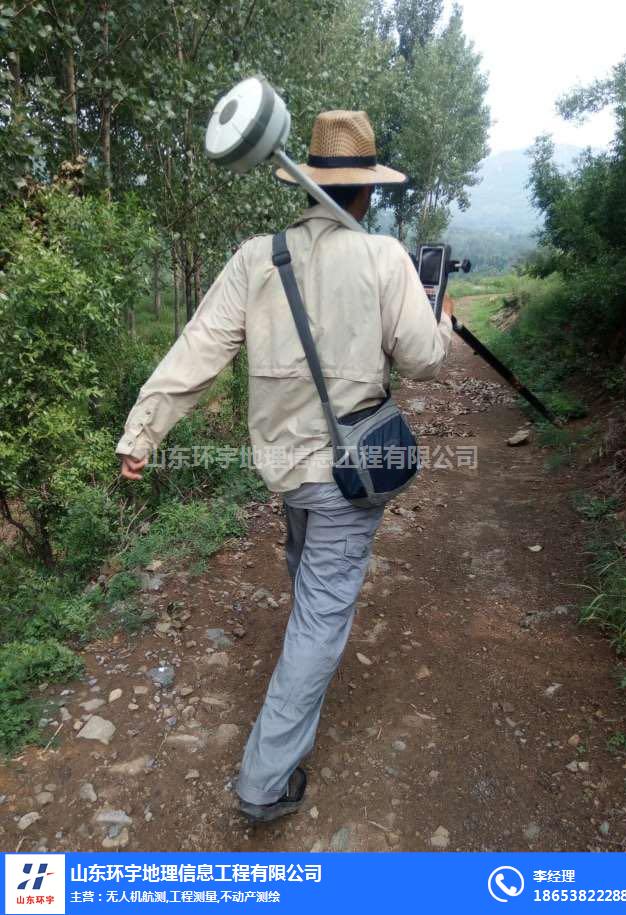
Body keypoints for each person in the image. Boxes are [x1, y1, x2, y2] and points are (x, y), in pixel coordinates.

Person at [117, 108, 454, 823]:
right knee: (322, 615)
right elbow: (423, 359)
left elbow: (200, 347)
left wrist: (143, 430)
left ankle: (300, 656)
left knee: (308, 573)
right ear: (365, 192)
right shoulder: (384, 258)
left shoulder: (256, 257)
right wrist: (439, 319)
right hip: (349, 472)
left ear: (304, 186)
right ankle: (264, 780)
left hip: (285, 471)